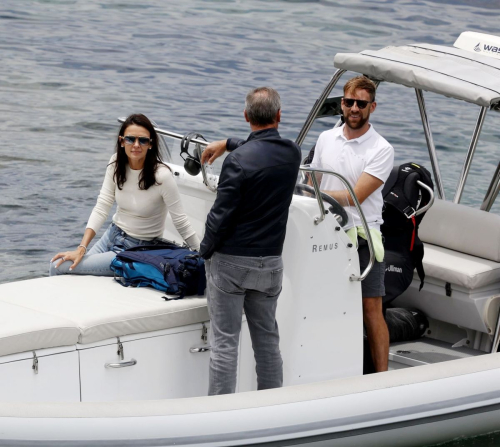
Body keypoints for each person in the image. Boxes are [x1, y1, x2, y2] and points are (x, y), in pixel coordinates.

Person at [199, 87, 301, 395]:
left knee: (225, 344)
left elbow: (221, 215)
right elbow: (266, 150)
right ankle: (270, 409)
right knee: (268, 341)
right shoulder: (292, 154)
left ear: (246, 116)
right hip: (270, 265)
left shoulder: (238, 161)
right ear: (279, 116)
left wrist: (203, 251)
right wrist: (229, 143)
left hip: (231, 264)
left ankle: (220, 415)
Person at [311, 76, 394, 372]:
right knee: (324, 302)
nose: (354, 108)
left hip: (362, 237)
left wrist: (315, 193)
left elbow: (355, 196)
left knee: (371, 309)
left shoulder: (382, 149)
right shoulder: (325, 139)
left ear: (372, 106)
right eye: (349, 102)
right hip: (323, 230)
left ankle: (382, 377)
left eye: (361, 103)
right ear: (341, 104)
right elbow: (311, 181)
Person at [50, 113, 200, 276]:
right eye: (130, 139)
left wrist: (203, 255)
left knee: (57, 266)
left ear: (150, 144)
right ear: (122, 141)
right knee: (65, 267)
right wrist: (81, 248)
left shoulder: (162, 176)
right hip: (111, 236)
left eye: (142, 140)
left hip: (134, 249)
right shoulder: (116, 164)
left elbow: (180, 221)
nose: (136, 145)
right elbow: (102, 207)